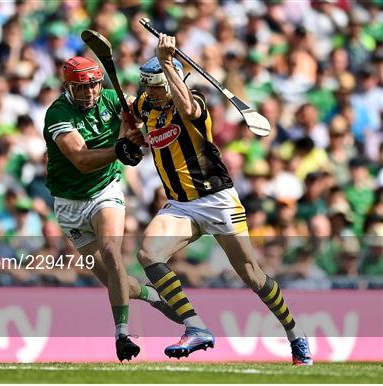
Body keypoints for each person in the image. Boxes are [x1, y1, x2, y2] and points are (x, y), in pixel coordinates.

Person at [132, 34, 313, 365]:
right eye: (149, 88)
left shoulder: (195, 102)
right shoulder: (146, 105)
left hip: (217, 199)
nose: (152, 94)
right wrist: (129, 139)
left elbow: (186, 108)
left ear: (172, 81)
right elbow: (131, 121)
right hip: (180, 205)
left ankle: (295, 334)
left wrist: (168, 62)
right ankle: (196, 326)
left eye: (158, 88)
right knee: (148, 253)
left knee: (252, 275)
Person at [43, 56, 181, 362]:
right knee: (114, 282)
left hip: (105, 192)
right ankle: (151, 294)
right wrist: (121, 148)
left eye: (94, 85)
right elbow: (81, 160)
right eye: (82, 88)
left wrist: (137, 124)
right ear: (69, 87)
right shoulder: (58, 114)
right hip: (69, 204)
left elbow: (145, 111)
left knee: (111, 250)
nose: (90, 93)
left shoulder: (111, 99)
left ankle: (122, 333)